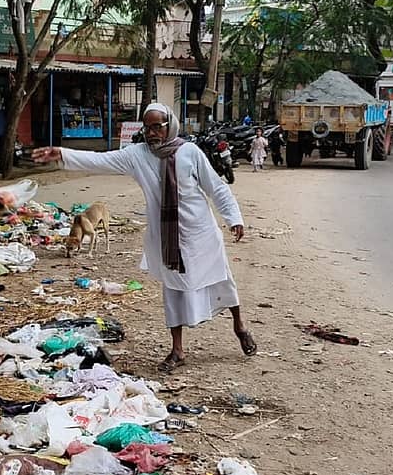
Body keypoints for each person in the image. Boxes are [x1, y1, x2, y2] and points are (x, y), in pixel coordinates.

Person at [29, 102, 257, 372]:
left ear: (168, 125)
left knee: (222, 279)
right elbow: (100, 161)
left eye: (156, 127)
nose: (151, 133)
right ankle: (178, 350)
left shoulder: (190, 152)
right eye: (146, 127)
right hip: (166, 238)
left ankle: (239, 326)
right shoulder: (137, 155)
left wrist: (234, 218)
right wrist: (62, 154)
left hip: (200, 233)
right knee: (172, 291)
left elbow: (216, 187)